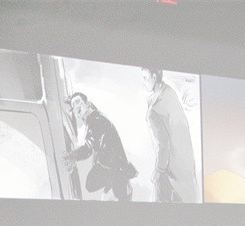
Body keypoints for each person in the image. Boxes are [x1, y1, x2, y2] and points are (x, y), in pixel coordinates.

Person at [63, 92, 137, 201]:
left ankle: (119, 187)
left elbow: (89, 146)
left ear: (87, 103)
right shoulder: (93, 117)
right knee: (90, 184)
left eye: (79, 103)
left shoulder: (97, 120)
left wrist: (71, 156)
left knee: (120, 199)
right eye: (74, 106)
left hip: (117, 171)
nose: (77, 107)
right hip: (109, 168)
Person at [141, 67, 199, 203]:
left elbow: (163, 146)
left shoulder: (154, 111)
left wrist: (158, 171)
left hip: (170, 172)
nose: (143, 82)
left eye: (145, 78)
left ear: (154, 77)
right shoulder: (169, 92)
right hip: (185, 169)